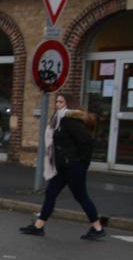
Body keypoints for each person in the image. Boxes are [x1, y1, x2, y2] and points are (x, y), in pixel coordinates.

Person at [20, 93, 107, 240]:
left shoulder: (70, 120)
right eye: (57, 101)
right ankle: (38, 226)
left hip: (73, 166)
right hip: (63, 166)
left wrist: (81, 162)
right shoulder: (58, 120)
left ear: (69, 104)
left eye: (60, 102)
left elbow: (86, 141)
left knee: (80, 196)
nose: (57, 104)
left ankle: (97, 228)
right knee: (51, 193)